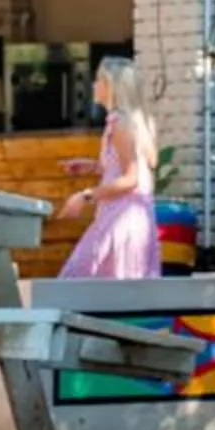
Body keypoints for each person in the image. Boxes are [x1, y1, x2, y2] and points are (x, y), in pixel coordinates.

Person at [59, 56, 161, 281]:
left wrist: (85, 196)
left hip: (121, 219)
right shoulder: (131, 122)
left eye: (98, 80)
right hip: (129, 218)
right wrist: (93, 166)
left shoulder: (121, 125)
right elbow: (136, 165)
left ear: (111, 87)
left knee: (75, 283)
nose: (94, 85)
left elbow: (131, 178)